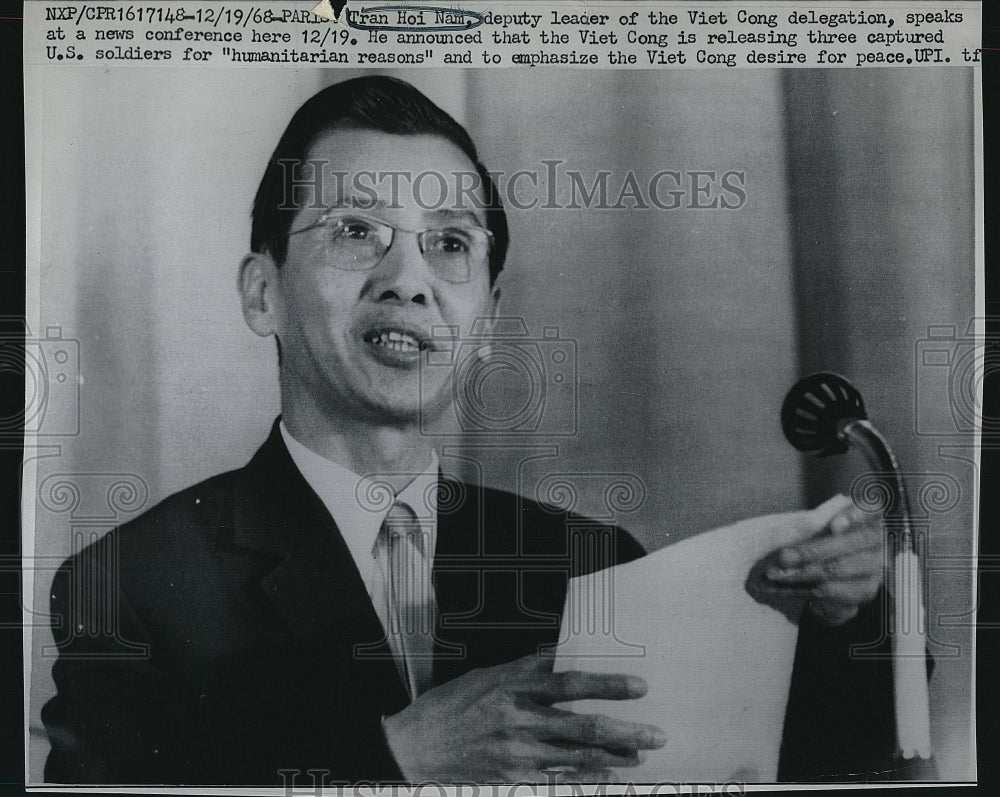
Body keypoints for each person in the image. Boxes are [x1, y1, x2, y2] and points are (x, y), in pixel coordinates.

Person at [41, 75, 895, 786]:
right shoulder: (133, 589)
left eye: (450, 242)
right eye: (354, 231)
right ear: (262, 292)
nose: (407, 279)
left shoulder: (592, 565)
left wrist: (843, 616)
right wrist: (396, 759)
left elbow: (822, 767)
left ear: (486, 319)